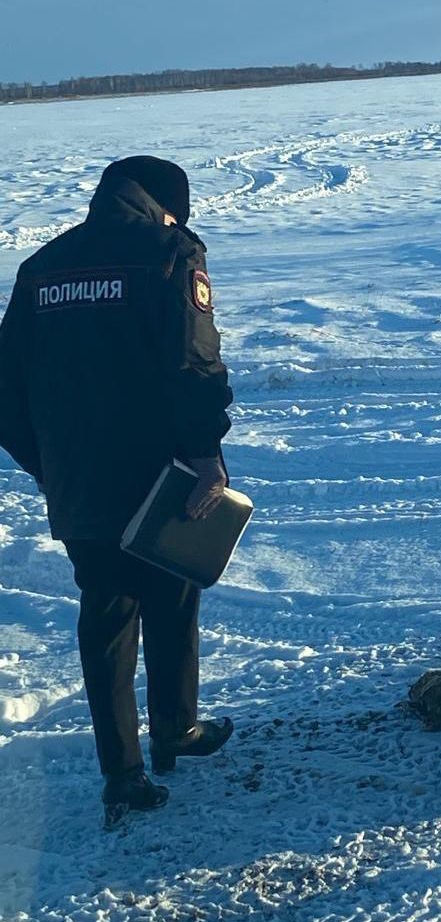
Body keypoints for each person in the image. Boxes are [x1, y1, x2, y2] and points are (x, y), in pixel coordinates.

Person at [0, 156, 236, 828]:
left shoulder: (41, 267)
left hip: (81, 482)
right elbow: (195, 361)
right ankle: (174, 728)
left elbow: (4, 390)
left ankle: (125, 771)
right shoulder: (170, 251)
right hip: (160, 471)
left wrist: (51, 465)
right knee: (174, 588)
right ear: (162, 205)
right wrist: (203, 452)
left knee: (107, 613)